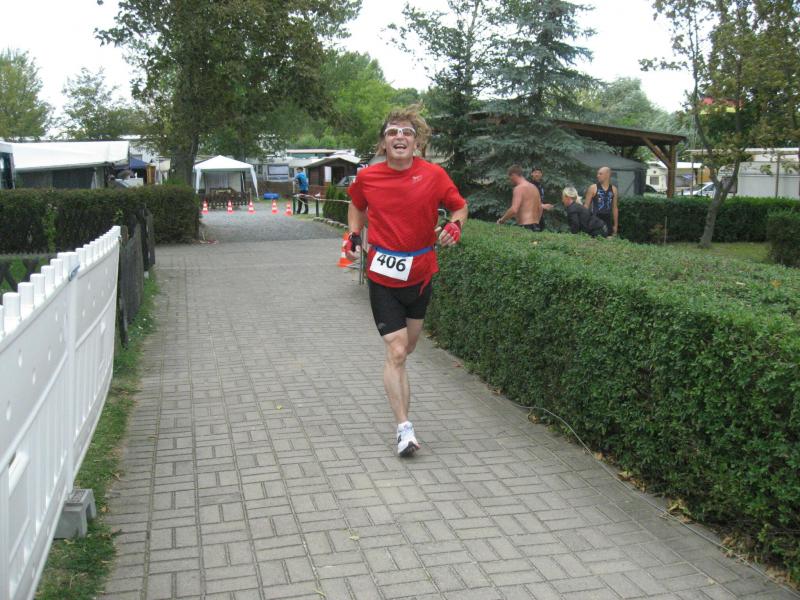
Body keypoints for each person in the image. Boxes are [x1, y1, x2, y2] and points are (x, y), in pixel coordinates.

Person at [346, 106, 468, 457]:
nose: (399, 137)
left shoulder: (434, 175)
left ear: (417, 142)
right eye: (392, 132)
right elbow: (356, 206)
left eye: (407, 132)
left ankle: (403, 415)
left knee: (407, 348)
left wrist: (455, 226)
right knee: (396, 350)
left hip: (420, 274)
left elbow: (460, 207)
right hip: (382, 275)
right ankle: (404, 428)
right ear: (383, 143)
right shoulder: (368, 178)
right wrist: (353, 234)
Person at [497, 165, 552, 230]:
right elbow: (539, 208)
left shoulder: (519, 188)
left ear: (514, 175)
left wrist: (502, 220)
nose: (510, 180)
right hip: (536, 226)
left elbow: (514, 209)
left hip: (525, 226)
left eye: (510, 177)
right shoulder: (534, 187)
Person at [584, 166, 618, 236]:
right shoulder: (593, 188)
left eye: (600, 174)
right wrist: (584, 222)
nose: (597, 176)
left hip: (608, 220)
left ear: (607, 175)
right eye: (597, 174)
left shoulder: (614, 189)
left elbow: (615, 208)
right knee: (595, 240)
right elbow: (586, 206)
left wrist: (615, 225)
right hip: (595, 219)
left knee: (608, 240)